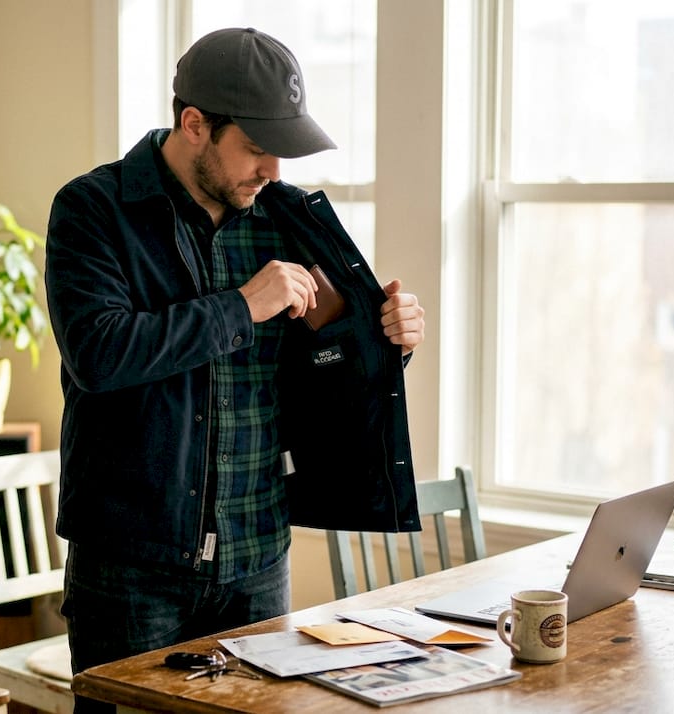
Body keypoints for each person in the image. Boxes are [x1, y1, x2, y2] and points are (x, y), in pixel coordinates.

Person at [45, 27, 426, 711]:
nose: (273, 170)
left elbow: (329, 356)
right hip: (132, 569)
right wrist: (240, 307)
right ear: (194, 124)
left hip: (257, 559)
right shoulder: (92, 210)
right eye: (255, 148)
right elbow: (98, 354)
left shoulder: (284, 218)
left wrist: (389, 336)